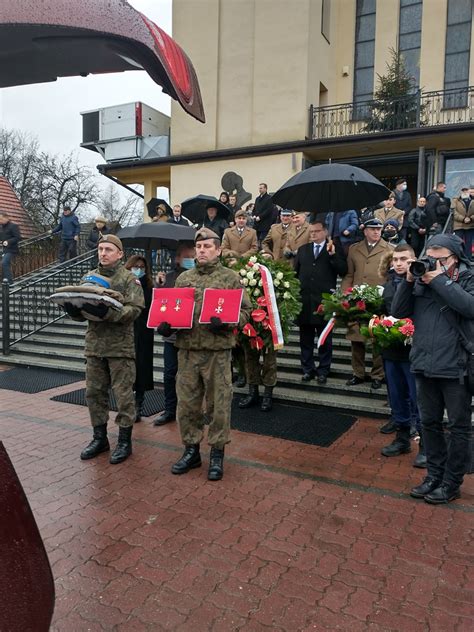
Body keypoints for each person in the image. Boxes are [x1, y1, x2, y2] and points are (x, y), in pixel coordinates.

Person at [160, 228, 251, 480]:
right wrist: (166, 324)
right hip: (187, 351)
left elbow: (246, 312)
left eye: (207, 247)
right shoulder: (183, 278)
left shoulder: (230, 278)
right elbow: (173, 309)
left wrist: (228, 323)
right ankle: (191, 451)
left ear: (218, 250)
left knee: (219, 405)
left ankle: (217, 455)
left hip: (217, 353)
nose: (201, 251)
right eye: (198, 247)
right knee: (187, 405)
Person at [391, 233, 474, 504]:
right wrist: (409, 280)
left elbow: (469, 307)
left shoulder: (468, 277)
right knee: (429, 423)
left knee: (459, 427)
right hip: (424, 362)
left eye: (440, 258)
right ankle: (434, 476)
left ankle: (452, 482)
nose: (433, 263)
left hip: (456, 365)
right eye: (430, 257)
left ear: (454, 258)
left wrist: (439, 280)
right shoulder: (420, 277)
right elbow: (399, 311)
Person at [62, 234, 144, 464]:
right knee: (94, 393)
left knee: (123, 395)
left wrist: (110, 314)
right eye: (100, 249)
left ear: (120, 254)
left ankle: (125, 441)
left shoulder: (129, 279)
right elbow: (82, 306)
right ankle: (100, 438)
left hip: (120, 347)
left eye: (109, 249)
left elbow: (136, 309)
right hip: (95, 345)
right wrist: (74, 311)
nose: (103, 253)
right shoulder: (89, 278)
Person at [377, 245, 425, 467]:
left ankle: (426, 445)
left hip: (414, 352)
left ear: (413, 261)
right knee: (397, 397)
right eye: (395, 259)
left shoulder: (422, 284)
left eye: (403, 259)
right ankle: (402, 437)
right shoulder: (387, 285)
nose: (398, 263)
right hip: (391, 351)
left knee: (419, 400)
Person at [294, 221, 347, 384]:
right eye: (311, 232)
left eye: (316, 232)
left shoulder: (333, 249)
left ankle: (324, 369)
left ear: (325, 232)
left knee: (324, 339)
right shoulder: (303, 250)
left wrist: (333, 256)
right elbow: (295, 273)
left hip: (324, 302)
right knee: (305, 339)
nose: (313, 234)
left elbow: (343, 270)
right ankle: (307, 369)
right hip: (305, 301)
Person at [341, 217, 391, 388]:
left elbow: (392, 277)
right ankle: (358, 373)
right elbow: (349, 274)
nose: (377, 232)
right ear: (365, 231)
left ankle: (378, 375)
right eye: (373, 229)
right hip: (357, 300)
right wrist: (345, 293)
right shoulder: (354, 249)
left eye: (379, 229)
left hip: (379, 300)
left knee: (377, 338)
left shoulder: (389, 249)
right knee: (357, 338)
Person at [153, 243, 196, 426]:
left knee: (193, 378)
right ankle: (170, 409)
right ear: (177, 258)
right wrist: (158, 285)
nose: (188, 260)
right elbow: (160, 306)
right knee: (170, 374)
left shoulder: (200, 278)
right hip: (172, 337)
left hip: (194, 338)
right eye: (184, 256)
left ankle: (192, 412)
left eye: (191, 256)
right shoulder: (168, 278)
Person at [124, 254, 154, 423]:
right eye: (136, 267)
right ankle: (127, 404)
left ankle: (138, 404)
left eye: (142, 268)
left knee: (141, 368)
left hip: (143, 332)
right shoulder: (124, 283)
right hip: (127, 331)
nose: (139, 270)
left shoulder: (148, 286)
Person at [451, 187, 474, 261]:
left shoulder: (473, 200)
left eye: (466, 190)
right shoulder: (455, 200)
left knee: (469, 243)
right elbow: (454, 212)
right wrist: (463, 219)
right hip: (458, 225)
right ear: (460, 191)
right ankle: (458, 258)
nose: (465, 192)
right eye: (463, 190)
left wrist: (470, 218)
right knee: (458, 243)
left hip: (470, 225)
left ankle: (468, 258)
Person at [0, 211, 21, 285]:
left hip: (12, 249)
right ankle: (5, 282)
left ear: (6, 218)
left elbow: (18, 237)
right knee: (5, 264)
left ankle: (10, 282)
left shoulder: (13, 226)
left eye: (1, 219)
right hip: (4, 249)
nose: (0, 221)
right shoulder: (1, 227)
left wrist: (8, 241)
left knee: (4, 263)